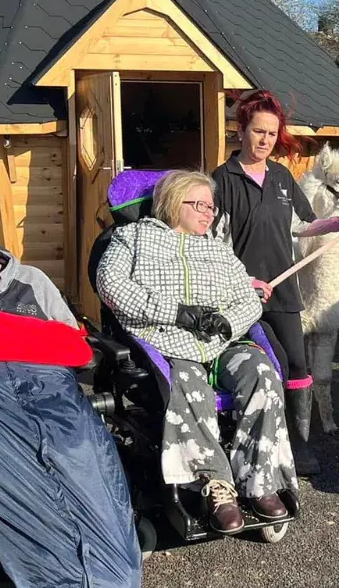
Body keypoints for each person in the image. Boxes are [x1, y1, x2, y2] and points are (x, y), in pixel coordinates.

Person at [96, 168, 297, 534]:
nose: (209, 213)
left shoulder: (219, 249)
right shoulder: (131, 239)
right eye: (200, 204)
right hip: (166, 341)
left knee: (263, 373)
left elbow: (248, 300)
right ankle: (216, 486)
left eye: (212, 207)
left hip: (221, 341)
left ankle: (260, 481)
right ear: (173, 203)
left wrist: (229, 323)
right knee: (188, 381)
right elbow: (111, 287)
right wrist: (175, 313)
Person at [211, 90, 339, 476]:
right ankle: (245, 441)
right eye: (257, 131)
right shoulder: (222, 180)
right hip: (239, 294)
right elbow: (214, 244)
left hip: (282, 290)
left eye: (271, 133)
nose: (264, 140)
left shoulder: (281, 177)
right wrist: (242, 280)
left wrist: (337, 223)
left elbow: (301, 225)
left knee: (297, 364)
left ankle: (298, 444)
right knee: (263, 364)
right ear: (241, 130)